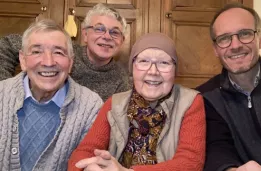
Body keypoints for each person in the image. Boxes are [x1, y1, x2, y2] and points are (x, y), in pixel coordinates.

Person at [68, 32, 206, 171]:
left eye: (164, 63)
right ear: (132, 68)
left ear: (174, 70)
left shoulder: (190, 102)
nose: (153, 71)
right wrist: (87, 167)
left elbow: (190, 163)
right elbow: (84, 151)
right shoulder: (114, 103)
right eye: (144, 61)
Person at [196, 3, 261, 171]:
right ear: (216, 49)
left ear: (260, 39)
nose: (235, 45)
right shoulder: (206, 96)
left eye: (245, 34)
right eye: (224, 38)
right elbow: (217, 150)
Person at [0, 19, 103, 171]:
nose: (48, 62)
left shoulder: (91, 107)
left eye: (58, 52)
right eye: (36, 51)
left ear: (70, 62)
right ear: (23, 60)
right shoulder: (2, 95)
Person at [0, 3, 130, 101]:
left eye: (115, 32)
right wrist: (9, 91)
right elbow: (5, 45)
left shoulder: (121, 80)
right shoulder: (62, 50)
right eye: (99, 29)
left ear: (122, 41)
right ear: (85, 34)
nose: (107, 36)